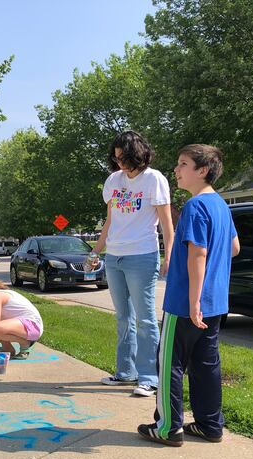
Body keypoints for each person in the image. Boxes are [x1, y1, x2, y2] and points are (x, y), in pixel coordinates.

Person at [137, 144, 240, 447]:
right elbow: (234, 248)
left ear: (202, 170)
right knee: (206, 364)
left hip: (185, 304)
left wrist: (193, 300)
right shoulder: (221, 205)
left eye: (183, 164)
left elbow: (198, 254)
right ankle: (210, 425)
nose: (176, 170)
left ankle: (168, 427)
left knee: (169, 363)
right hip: (215, 303)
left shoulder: (195, 207)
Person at [91, 131, 174, 397]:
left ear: (137, 154)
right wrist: (96, 250)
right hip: (113, 257)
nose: (120, 164)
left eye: (124, 158)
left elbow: (166, 222)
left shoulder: (154, 179)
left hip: (142, 256)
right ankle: (126, 372)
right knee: (123, 317)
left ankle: (150, 378)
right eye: (116, 159)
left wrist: (169, 253)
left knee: (146, 319)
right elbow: (110, 220)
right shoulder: (113, 180)